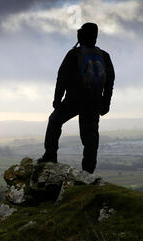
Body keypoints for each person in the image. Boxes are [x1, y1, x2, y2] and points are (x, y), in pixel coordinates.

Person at [38, 22, 115, 174]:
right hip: (94, 102)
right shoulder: (104, 56)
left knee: (54, 121)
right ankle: (88, 173)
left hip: (73, 100)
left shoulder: (74, 54)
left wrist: (57, 100)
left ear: (81, 35)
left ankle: (50, 155)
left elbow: (62, 77)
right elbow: (110, 81)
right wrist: (106, 103)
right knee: (90, 138)